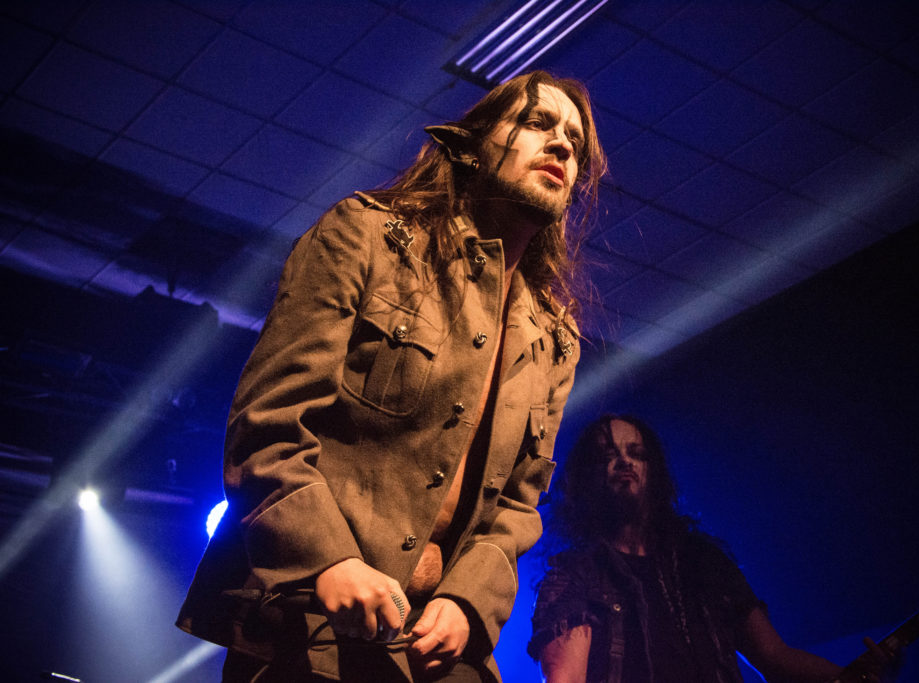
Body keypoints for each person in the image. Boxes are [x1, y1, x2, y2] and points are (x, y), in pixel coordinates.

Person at [176, 70, 607, 683]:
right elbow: (269, 427)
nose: (563, 145)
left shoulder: (555, 338)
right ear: (473, 144)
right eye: (538, 123)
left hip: (437, 650)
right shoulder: (366, 237)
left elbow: (517, 503)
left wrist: (469, 602)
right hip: (308, 623)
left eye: (574, 140)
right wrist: (326, 561)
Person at [529, 415, 897, 683]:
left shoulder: (702, 562)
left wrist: (849, 676)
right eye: (607, 454)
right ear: (587, 478)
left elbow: (775, 657)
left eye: (635, 452)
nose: (623, 461)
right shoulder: (574, 576)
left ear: (654, 471)